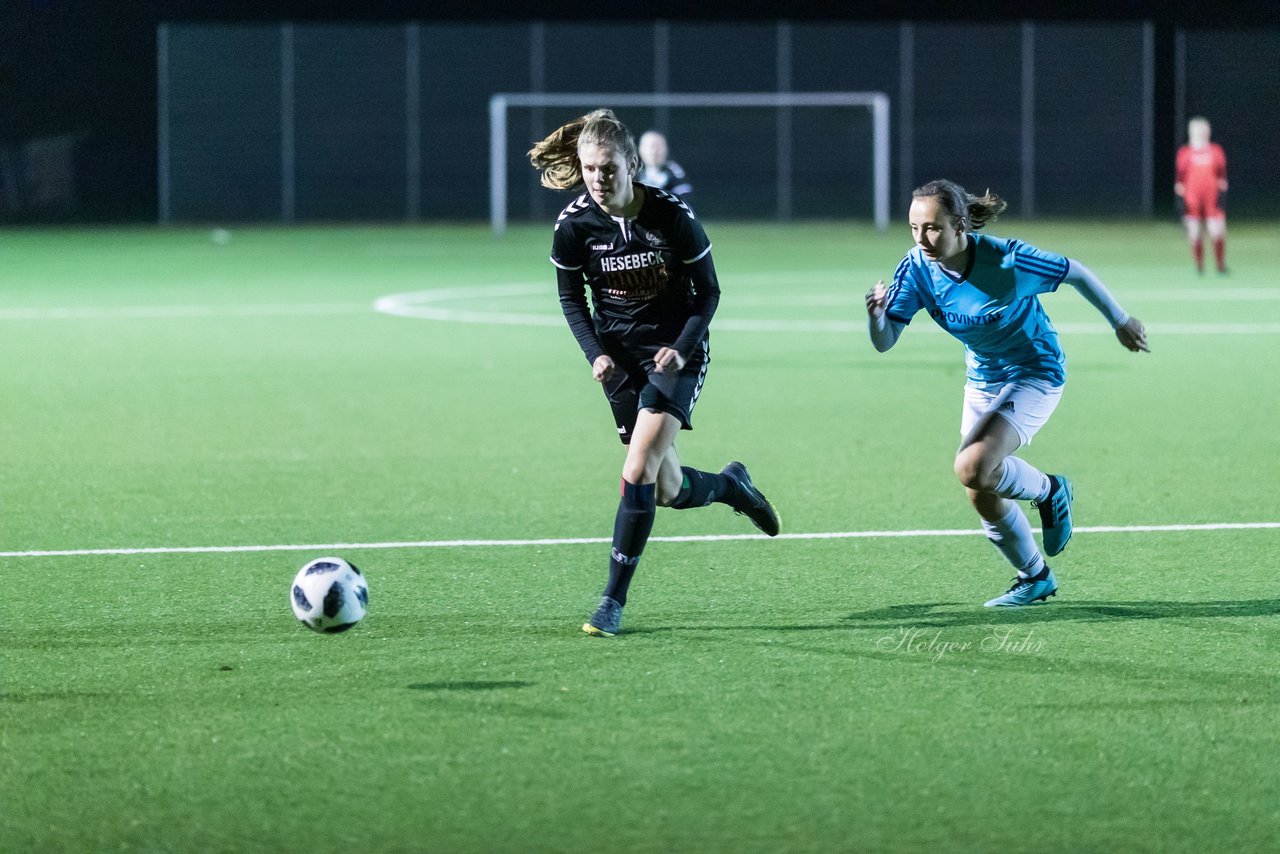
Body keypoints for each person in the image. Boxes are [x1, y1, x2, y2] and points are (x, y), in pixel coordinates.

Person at [528, 108, 779, 637]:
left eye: (609, 168)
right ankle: (733, 488)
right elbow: (571, 299)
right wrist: (594, 353)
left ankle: (611, 602)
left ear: (632, 164)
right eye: (590, 168)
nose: (599, 179)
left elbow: (708, 292)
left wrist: (683, 349)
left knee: (639, 465)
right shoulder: (573, 226)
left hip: (674, 352)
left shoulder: (672, 216)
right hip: (619, 362)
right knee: (665, 488)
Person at [865, 179, 1149, 607]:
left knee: (973, 465)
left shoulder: (1008, 260)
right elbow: (885, 341)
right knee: (979, 487)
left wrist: (1120, 319)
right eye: (914, 228)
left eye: (932, 228)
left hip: (1035, 372)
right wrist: (876, 316)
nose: (922, 239)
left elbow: (1076, 272)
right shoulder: (917, 268)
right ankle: (1035, 577)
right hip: (983, 380)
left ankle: (1051, 492)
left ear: (960, 224)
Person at [1175, 116, 1228, 274]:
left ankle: (1220, 265)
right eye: (1196, 130)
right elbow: (1179, 182)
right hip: (1192, 201)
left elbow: (1222, 179)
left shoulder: (1216, 151)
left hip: (1212, 200)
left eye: (1202, 129)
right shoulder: (1185, 153)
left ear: (1208, 131)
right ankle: (1199, 266)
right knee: (1195, 234)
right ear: (1190, 132)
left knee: (1216, 231)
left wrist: (1221, 198)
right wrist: (1181, 203)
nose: (1199, 133)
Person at [636, 130, 693, 200]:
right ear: (640, 149)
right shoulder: (633, 175)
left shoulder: (676, 176)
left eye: (658, 146)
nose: (654, 152)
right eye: (650, 146)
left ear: (666, 149)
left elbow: (684, 200)